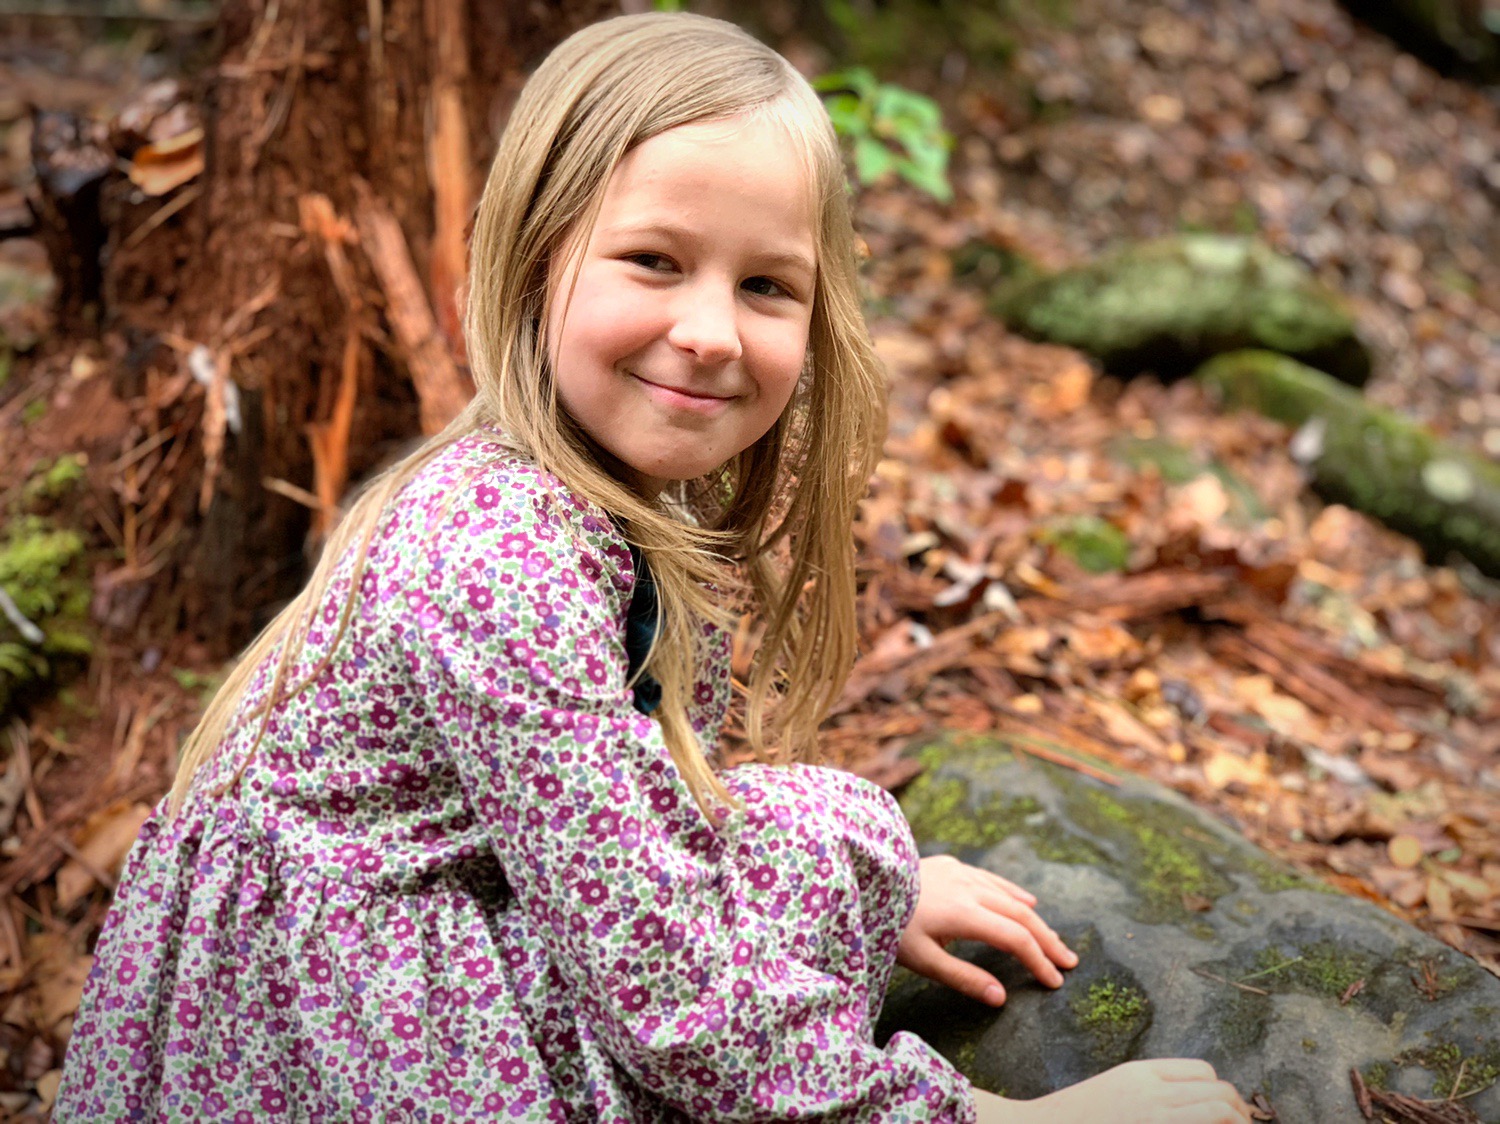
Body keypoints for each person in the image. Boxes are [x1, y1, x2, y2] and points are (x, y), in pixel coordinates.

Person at [55, 12, 1254, 1123]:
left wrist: (877, 889)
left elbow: (634, 825)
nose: (712, 330)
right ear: (533, 261)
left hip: (411, 952)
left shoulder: (601, 502)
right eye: (653, 260)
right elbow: (665, 990)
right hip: (327, 1036)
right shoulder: (495, 551)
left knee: (817, 827)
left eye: (767, 284)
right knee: (789, 854)